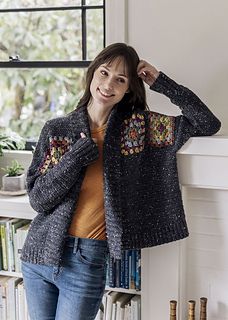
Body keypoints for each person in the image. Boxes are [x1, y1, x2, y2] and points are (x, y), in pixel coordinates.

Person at [21, 42, 221, 320]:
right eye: (104, 73)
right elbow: (38, 199)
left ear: (129, 87)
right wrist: (75, 158)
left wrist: (161, 82)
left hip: (87, 258)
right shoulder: (57, 130)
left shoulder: (138, 129)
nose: (108, 83)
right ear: (92, 74)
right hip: (39, 253)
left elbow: (206, 123)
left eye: (120, 79)